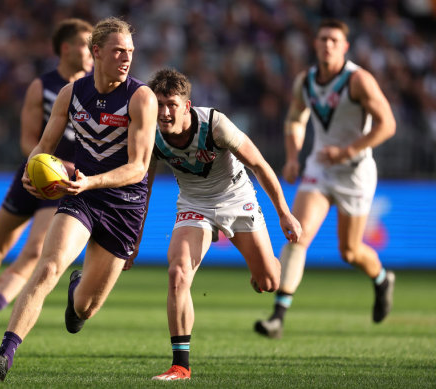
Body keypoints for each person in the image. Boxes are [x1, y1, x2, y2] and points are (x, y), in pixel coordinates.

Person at [0, 17, 158, 382]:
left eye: (130, 52)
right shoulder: (71, 94)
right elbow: (43, 147)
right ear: (97, 52)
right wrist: (33, 170)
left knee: (83, 310)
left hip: (123, 205)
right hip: (82, 197)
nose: (126, 59)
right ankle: (4, 357)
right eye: (118, 51)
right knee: (46, 267)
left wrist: (91, 181)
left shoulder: (141, 97)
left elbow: (138, 168)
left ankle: (79, 289)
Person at [136, 68, 302, 381]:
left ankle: (262, 271)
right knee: (177, 273)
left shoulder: (214, 124)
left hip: (237, 199)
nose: (165, 111)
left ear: (186, 106)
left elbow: (259, 165)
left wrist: (284, 212)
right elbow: (143, 189)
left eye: (171, 104)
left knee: (268, 282)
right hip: (194, 206)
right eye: (159, 104)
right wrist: (134, 240)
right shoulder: (149, 134)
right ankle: (180, 365)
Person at [0, 18, 94, 343]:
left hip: (61, 186)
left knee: (35, 251)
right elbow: (28, 141)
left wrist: (69, 170)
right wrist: (49, 163)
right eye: (86, 44)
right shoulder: (42, 86)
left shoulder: (94, 90)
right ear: (67, 48)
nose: (91, 52)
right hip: (30, 175)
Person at [254, 19, 396, 339]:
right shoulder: (305, 81)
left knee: (349, 252)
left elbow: (387, 124)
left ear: (344, 47)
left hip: (355, 172)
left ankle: (382, 278)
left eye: (334, 40)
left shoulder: (358, 80)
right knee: (297, 236)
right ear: (315, 44)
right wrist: (292, 156)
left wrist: (347, 151)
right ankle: (278, 316)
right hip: (320, 168)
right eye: (322, 39)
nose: (327, 44)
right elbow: (295, 118)